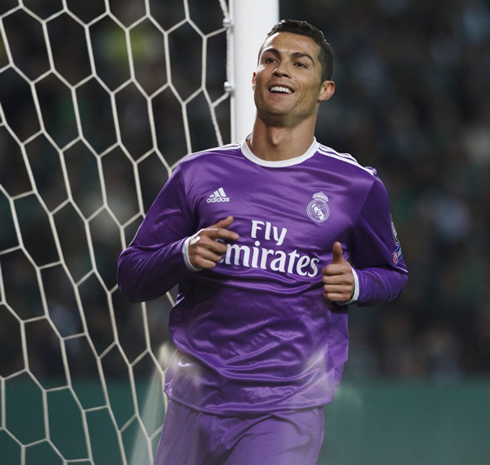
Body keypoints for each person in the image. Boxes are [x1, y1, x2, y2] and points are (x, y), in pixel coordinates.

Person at [118, 19, 408, 465]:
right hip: (193, 400)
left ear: (324, 89)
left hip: (284, 407)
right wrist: (183, 253)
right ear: (254, 79)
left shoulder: (355, 186)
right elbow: (131, 276)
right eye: (271, 60)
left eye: (299, 62)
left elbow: (392, 274)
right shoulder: (197, 174)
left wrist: (357, 284)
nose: (282, 70)